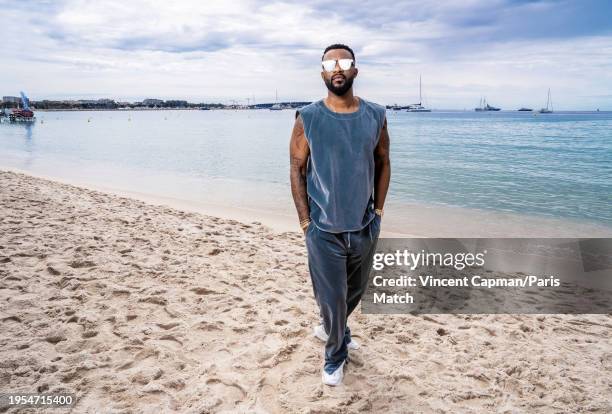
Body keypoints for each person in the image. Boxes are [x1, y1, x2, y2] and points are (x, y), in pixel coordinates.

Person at [289, 43, 391, 386]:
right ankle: (335, 355)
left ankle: (331, 327)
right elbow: (296, 168)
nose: (337, 68)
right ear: (322, 73)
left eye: (344, 62)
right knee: (332, 297)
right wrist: (306, 221)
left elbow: (383, 163)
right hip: (323, 228)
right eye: (330, 63)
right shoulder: (308, 117)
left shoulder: (376, 115)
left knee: (354, 292)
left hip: (364, 225)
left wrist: (377, 211)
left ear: (355, 71)